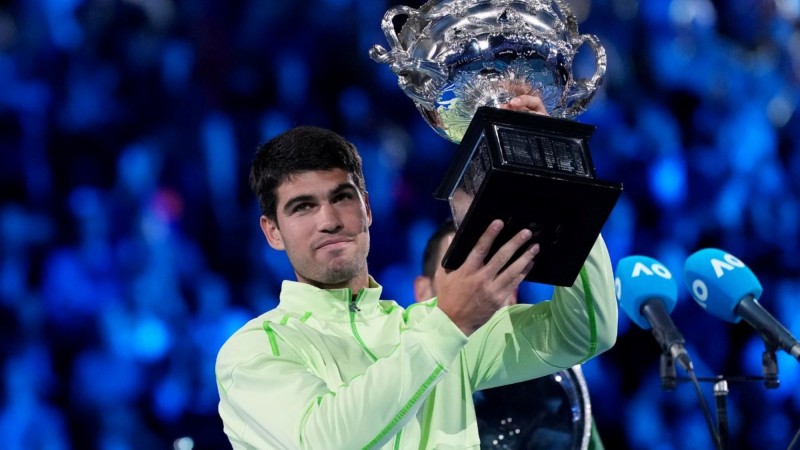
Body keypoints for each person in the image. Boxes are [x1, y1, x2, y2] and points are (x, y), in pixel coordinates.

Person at [215, 95, 618, 449]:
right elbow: (325, 442)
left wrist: (556, 173)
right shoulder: (253, 350)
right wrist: (448, 324)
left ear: (367, 209)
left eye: (342, 198)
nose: (329, 221)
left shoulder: (430, 329)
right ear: (273, 232)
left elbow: (583, 333)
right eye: (303, 207)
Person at [414, 218, 607, 450]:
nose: (478, 289)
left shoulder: (557, 394)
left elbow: (587, 333)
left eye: (495, 273)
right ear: (423, 292)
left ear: (512, 292)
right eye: (460, 274)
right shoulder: (399, 370)